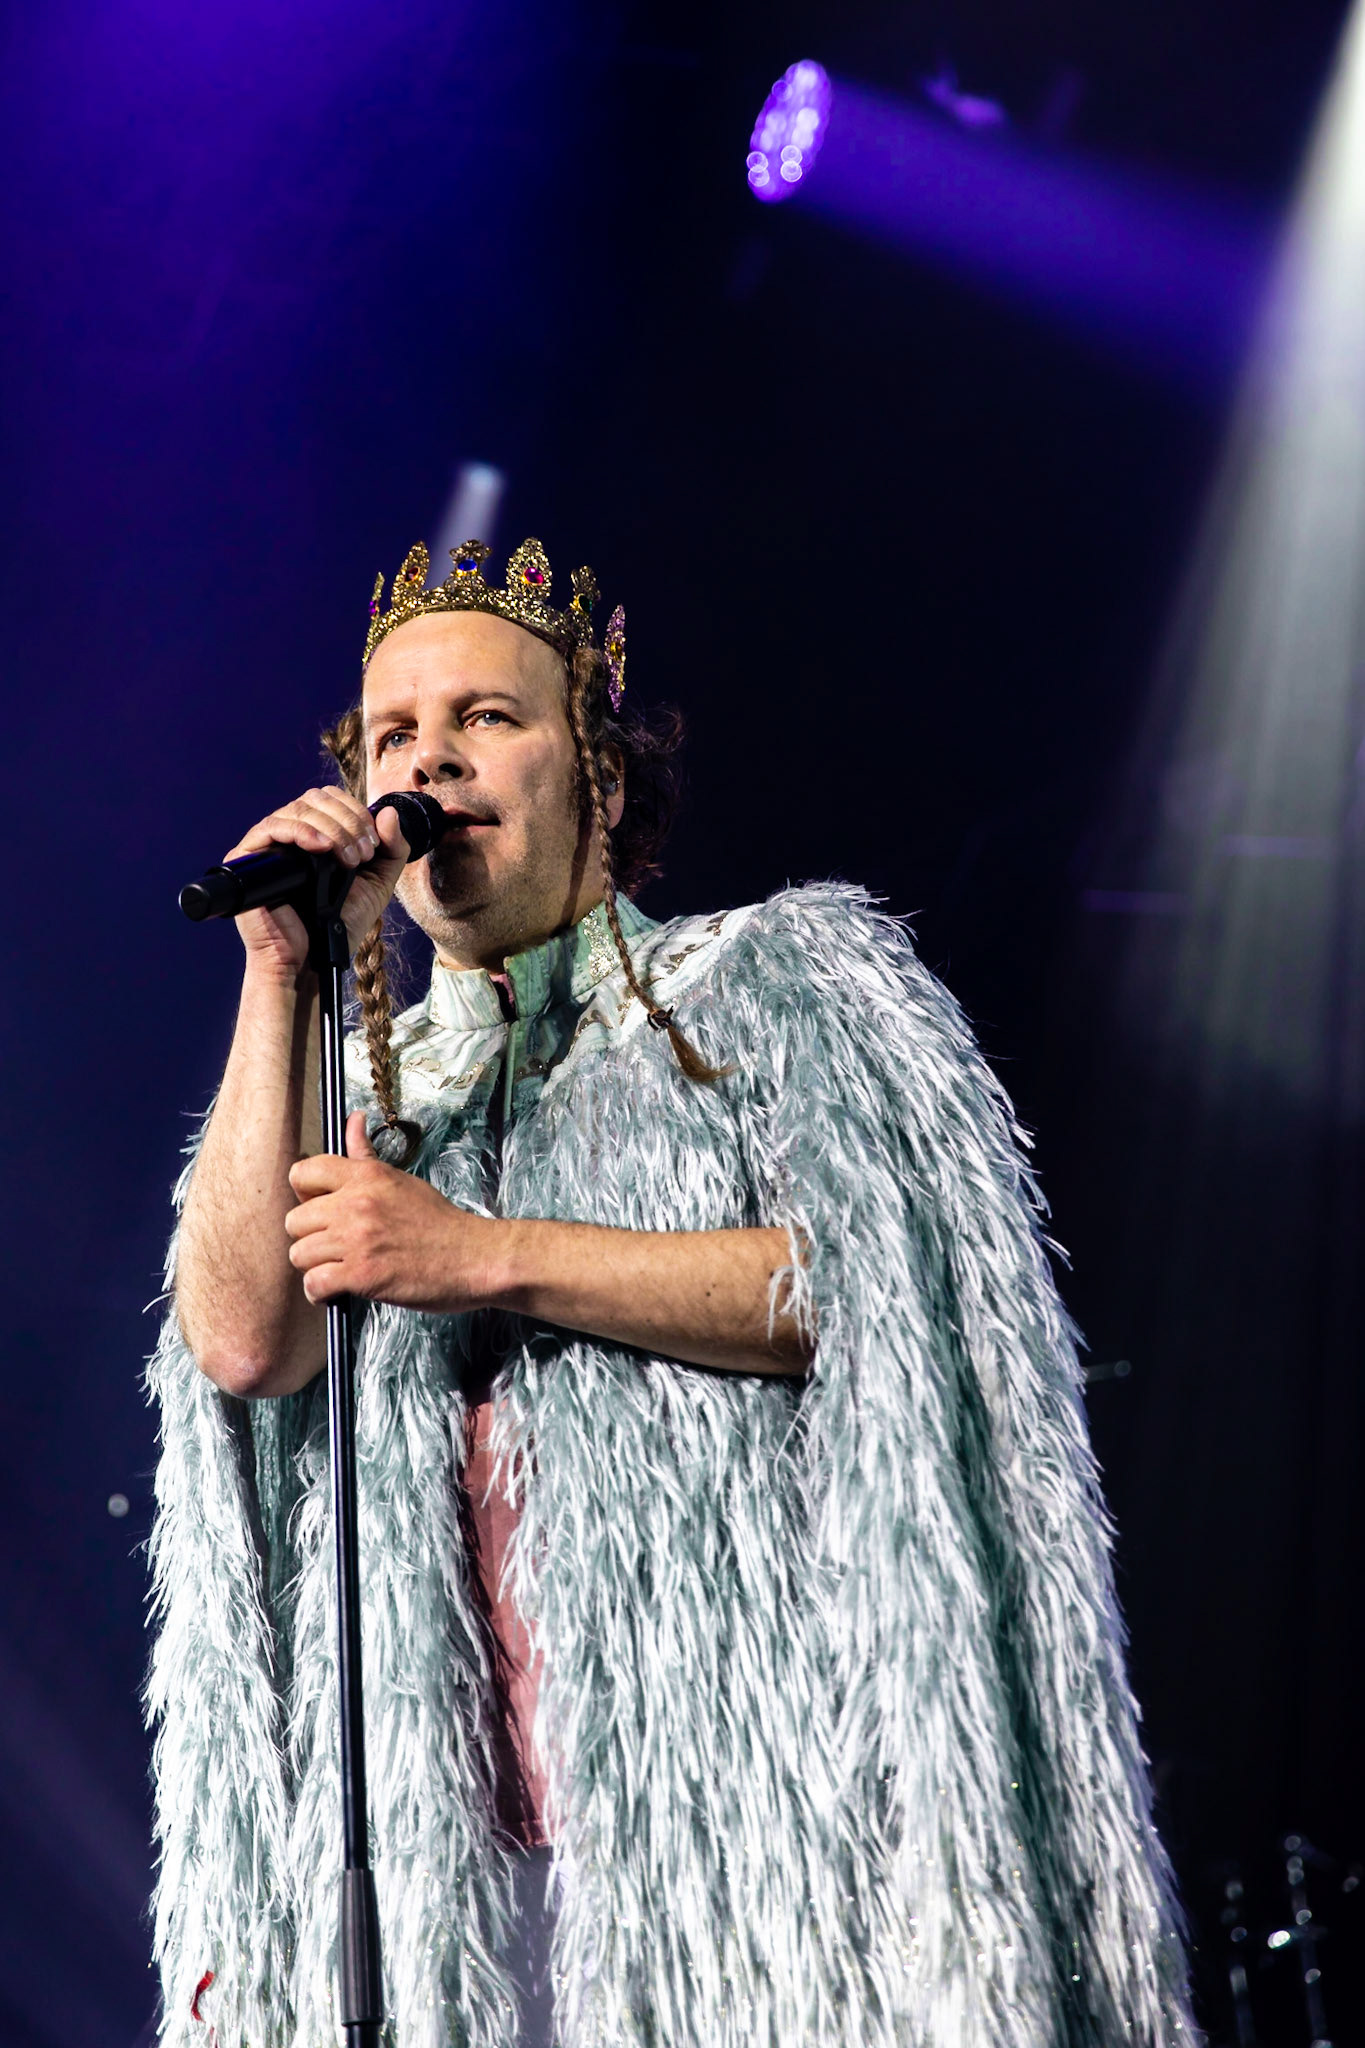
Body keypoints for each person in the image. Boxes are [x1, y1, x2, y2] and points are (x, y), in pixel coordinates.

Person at [147, 535, 1195, 2048]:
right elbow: (244, 1341)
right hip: (453, 1902)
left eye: (484, 717)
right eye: (392, 735)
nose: (427, 759)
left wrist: (484, 1253)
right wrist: (279, 971)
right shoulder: (353, 1094)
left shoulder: (775, 987)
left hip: (766, 1850)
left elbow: (892, 1292)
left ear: (601, 773)